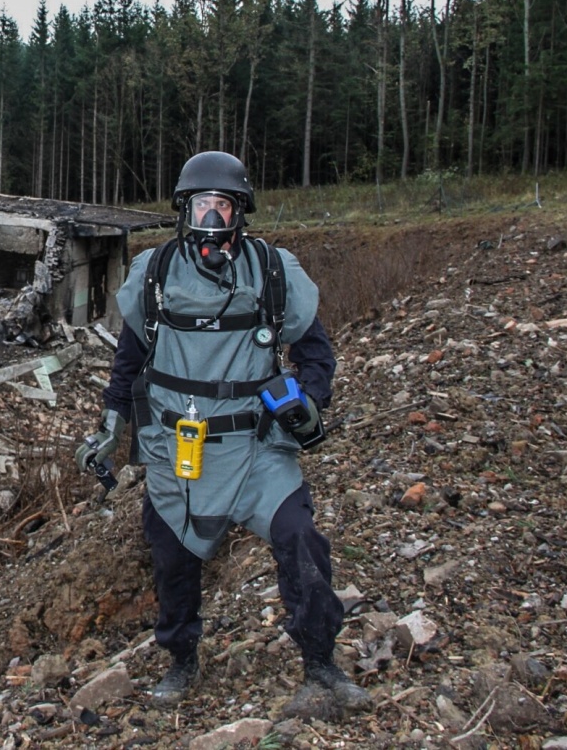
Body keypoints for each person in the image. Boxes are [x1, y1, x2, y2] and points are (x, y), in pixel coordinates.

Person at [75, 151, 371, 712]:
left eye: (224, 206)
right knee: (172, 556)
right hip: (177, 449)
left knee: (299, 537)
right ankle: (181, 661)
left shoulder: (274, 272)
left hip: (256, 447)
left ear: (241, 212)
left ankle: (321, 665)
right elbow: (128, 364)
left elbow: (316, 353)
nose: (212, 218)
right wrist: (111, 426)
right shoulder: (156, 275)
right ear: (184, 211)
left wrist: (310, 400)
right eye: (201, 206)